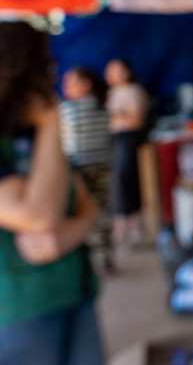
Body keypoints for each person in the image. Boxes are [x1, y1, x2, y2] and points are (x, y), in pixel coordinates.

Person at [0, 22, 104, 365]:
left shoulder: (29, 131)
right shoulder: (40, 126)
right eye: (44, 66)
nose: (54, 74)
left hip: (74, 290)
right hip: (19, 309)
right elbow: (38, 214)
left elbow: (85, 200)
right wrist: (49, 121)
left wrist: (75, 229)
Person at [61, 66, 115, 273]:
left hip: (78, 168)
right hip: (102, 165)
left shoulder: (68, 109)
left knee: (81, 211)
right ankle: (105, 256)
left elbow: (66, 141)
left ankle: (87, 259)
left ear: (86, 84)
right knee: (102, 210)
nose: (66, 87)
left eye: (71, 82)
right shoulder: (103, 106)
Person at [105, 59, 148, 245]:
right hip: (115, 140)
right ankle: (122, 226)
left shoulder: (134, 91)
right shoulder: (112, 93)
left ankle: (133, 225)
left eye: (118, 71)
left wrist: (117, 116)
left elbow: (136, 121)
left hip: (128, 140)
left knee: (127, 182)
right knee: (116, 183)